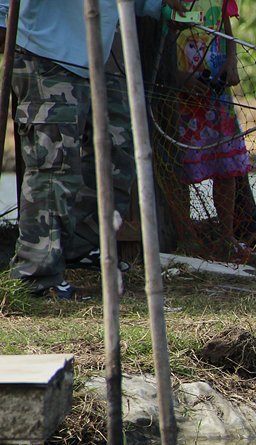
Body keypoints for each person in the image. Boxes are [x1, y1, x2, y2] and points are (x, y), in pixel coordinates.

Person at [0, 0, 184, 299]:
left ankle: (71, 248)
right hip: (46, 55)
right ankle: (37, 276)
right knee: (53, 169)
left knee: (121, 152)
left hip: (97, 60)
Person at [170, 0, 253, 263]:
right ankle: (186, 238)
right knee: (180, 165)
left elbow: (226, 30)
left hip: (216, 92)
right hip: (179, 93)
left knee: (226, 165)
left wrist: (231, 63)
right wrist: (178, 77)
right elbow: (156, 40)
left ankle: (226, 237)